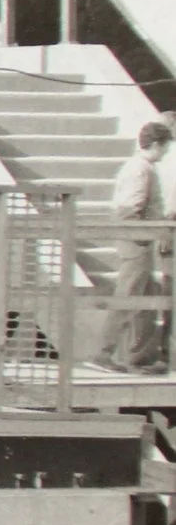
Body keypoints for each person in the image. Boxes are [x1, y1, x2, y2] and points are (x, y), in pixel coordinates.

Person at [111, 120, 173, 372]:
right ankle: (104, 350)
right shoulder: (139, 170)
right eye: (166, 146)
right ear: (157, 144)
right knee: (129, 298)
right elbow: (128, 211)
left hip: (145, 242)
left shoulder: (145, 167)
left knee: (146, 301)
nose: (167, 152)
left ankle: (142, 356)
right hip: (137, 244)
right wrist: (147, 234)